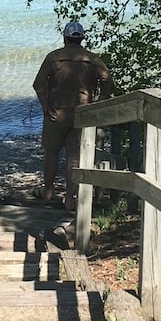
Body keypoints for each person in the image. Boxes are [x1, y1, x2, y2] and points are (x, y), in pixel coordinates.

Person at [32, 21, 114, 210]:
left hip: (56, 113)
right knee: (74, 156)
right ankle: (70, 198)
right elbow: (108, 82)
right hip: (82, 113)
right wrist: (97, 104)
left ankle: (48, 191)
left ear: (65, 37)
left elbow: (38, 85)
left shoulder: (53, 57)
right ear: (82, 38)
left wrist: (46, 107)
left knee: (51, 152)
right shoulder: (92, 59)